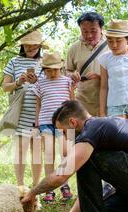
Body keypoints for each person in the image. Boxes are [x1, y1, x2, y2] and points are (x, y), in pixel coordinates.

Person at [2, 30, 46, 189]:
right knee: (20, 152)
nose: (32, 47)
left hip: (40, 114)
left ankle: (36, 187)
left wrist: (37, 83)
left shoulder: (46, 62)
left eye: (35, 45)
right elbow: (5, 87)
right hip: (20, 114)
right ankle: (20, 187)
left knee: (36, 152)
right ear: (23, 45)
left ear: (40, 45)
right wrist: (18, 82)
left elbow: (52, 85)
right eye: (28, 45)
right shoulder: (14, 62)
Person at [33, 52, 74, 202]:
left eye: (55, 69)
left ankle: (64, 184)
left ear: (61, 68)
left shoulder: (67, 82)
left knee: (65, 153)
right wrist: (37, 122)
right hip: (45, 122)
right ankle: (49, 188)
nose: (52, 72)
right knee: (49, 154)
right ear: (44, 69)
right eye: (48, 70)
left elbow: (72, 102)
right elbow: (38, 104)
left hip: (64, 123)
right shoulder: (40, 83)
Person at [66, 12, 108, 116]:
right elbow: (67, 71)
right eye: (84, 31)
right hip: (83, 102)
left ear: (101, 28)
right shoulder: (74, 48)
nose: (89, 35)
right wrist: (72, 75)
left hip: (108, 100)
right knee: (83, 131)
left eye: (93, 31)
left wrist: (100, 77)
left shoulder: (112, 44)